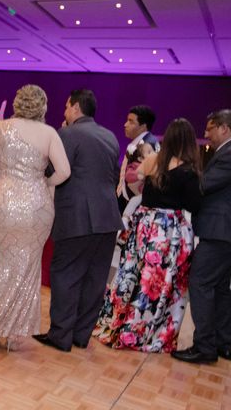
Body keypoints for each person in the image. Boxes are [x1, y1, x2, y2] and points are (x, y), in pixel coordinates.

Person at [0, 86, 70, 350]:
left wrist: (2, 169)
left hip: (3, 203)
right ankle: (12, 334)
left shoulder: (2, 128)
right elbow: (64, 172)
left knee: (1, 265)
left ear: (17, 103)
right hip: (36, 208)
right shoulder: (49, 133)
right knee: (27, 269)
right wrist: (44, 183)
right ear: (43, 106)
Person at [94, 118, 202, 352]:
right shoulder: (188, 171)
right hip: (169, 230)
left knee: (132, 273)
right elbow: (194, 204)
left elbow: (133, 185)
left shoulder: (153, 160)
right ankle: (148, 329)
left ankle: (121, 322)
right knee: (161, 281)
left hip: (144, 223)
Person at [33, 88, 122, 352]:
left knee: (66, 275)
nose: (64, 112)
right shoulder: (110, 136)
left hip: (77, 216)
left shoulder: (68, 133)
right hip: (108, 217)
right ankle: (80, 335)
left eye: (65, 107)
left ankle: (60, 336)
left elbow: (53, 170)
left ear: (74, 107)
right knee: (94, 279)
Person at [172, 109, 231, 364]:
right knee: (219, 289)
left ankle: (205, 346)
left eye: (210, 129)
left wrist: (179, 177)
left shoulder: (228, 154)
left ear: (224, 128)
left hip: (219, 232)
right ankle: (222, 343)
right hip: (222, 233)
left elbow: (204, 185)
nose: (206, 135)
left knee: (200, 283)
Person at [117, 105, 160, 213]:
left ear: (143, 126)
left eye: (131, 122)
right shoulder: (138, 143)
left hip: (139, 204)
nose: (125, 124)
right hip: (128, 201)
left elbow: (148, 179)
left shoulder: (148, 145)